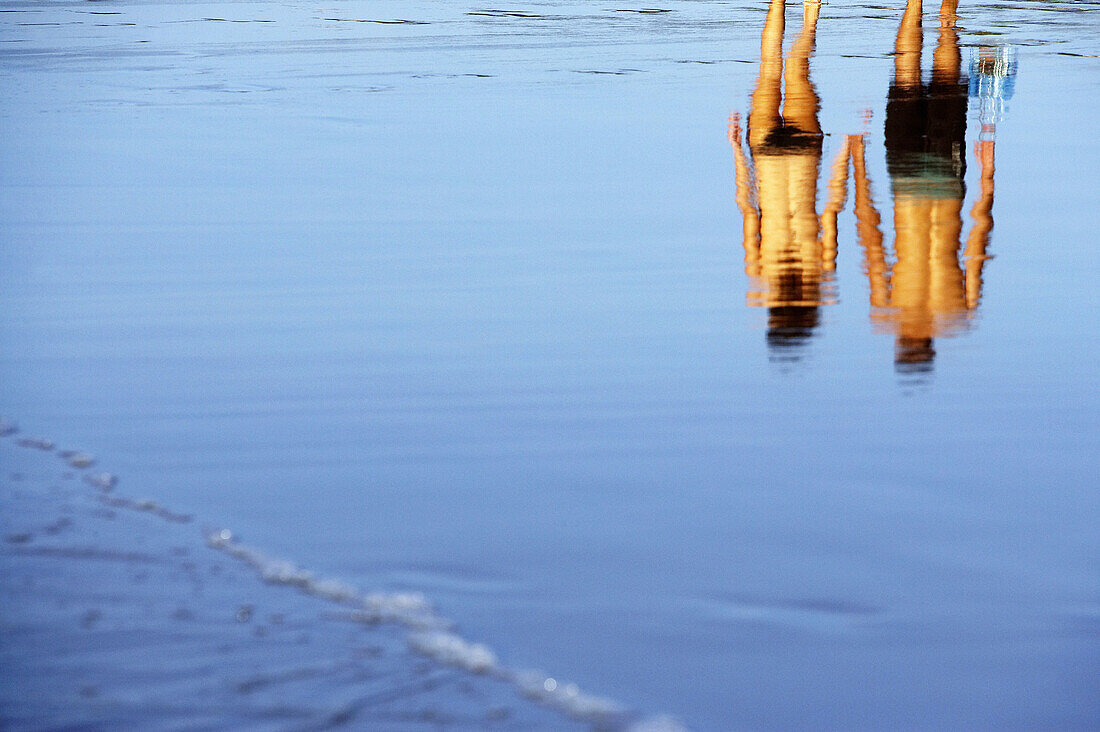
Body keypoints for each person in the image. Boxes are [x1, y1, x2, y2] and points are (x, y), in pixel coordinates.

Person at [728, 0, 849, 359]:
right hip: (766, 155)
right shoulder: (759, 273)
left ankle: (810, 15)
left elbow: (833, 206)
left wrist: (846, 149)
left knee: (795, 69)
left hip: (804, 155)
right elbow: (747, 208)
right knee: (768, 71)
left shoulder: (821, 272)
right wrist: (736, 149)